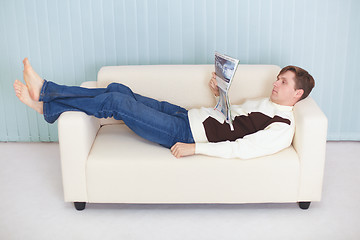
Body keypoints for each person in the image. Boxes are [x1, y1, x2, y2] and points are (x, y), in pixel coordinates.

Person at [13, 58, 314, 159]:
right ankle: (47, 108)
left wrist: (194, 149)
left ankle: (46, 93)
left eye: (284, 82)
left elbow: (241, 148)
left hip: (185, 132)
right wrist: (218, 95)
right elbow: (231, 121)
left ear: (297, 93)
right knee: (118, 89)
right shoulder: (267, 102)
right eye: (278, 78)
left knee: (116, 103)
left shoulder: (282, 128)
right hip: (187, 115)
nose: (276, 83)